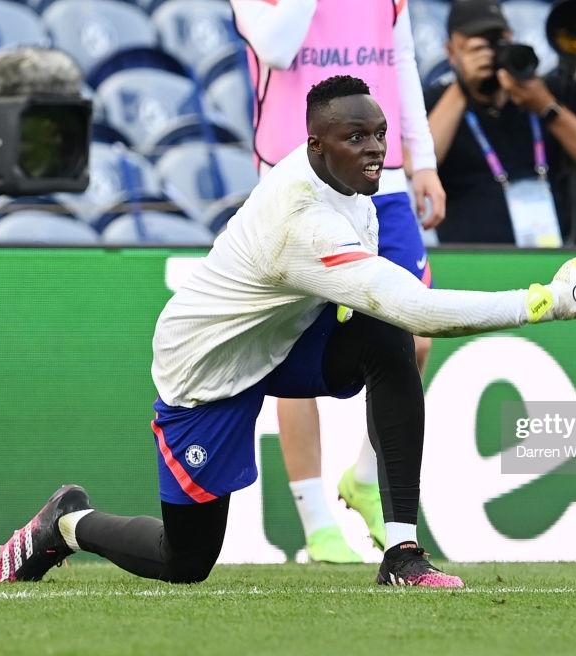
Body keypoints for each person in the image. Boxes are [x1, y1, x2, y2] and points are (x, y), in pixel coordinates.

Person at [0, 75, 576, 588]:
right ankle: (68, 524)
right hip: (206, 369)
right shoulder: (302, 222)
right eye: (355, 137)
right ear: (315, 146)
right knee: (186, 563)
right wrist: (544, 302)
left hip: (281, 345)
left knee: (385, 339)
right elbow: (423, 311)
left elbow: (391, 314)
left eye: (380, 135)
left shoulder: (351, 190)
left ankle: (401, 554)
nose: (375, 150)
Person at [229, 0, 446, 563]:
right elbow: (274, 46)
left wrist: (421, 160)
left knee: (414, 335)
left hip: (386, 178)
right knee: (294, 347)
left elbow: (402, 63)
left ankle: (365, 479)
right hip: (295, 180)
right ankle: (317, 522)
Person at [425, 0, 576, 246]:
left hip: (557, 259)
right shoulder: (437, 100)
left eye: (498, 42)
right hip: (476, 261)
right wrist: (463, 87)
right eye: (476, 46)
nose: (490, 55)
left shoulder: (546, 93)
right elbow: (418, 164)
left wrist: (544, 105)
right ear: (451, 52)